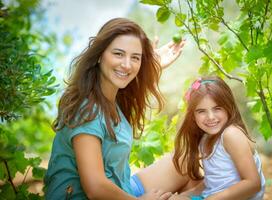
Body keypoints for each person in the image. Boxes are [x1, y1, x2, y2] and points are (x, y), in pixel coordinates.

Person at [44, 17, 186, 200]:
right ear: (99, 55)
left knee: (184, 164)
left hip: (121, 188)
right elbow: (95, 188)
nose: (127, 64)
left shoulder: (112, 98)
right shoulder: (87, 110)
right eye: (118, 54)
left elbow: (133, 80)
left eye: (135, 57)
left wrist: (151, 66)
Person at [169, 76, 265, 200]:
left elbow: (253, 184)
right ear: (193, 115)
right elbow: (212, 183)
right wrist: (185, 195)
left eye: (217, 109)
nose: (210, 117)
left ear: (228, 107)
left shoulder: (231, 135)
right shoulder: (205, 138)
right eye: (201, 111)